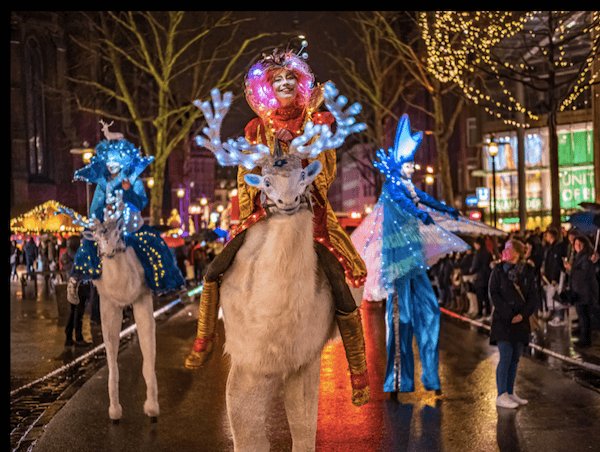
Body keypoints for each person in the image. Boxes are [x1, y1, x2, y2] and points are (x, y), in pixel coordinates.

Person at [184, 47, 370, 406]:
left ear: (300, 85)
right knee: (214, 270)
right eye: (278, 81)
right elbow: (243, 176)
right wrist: (254, 202)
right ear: (269, 89)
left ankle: (358, 372)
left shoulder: (318, 124)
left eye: (290, 79)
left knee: (338, 281)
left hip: (307, 216)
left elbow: (327, 174)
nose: (284, 84)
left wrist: (305, 152)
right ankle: (204, 338)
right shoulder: (257, 129)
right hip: (266, 213)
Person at [351, 114, 471, 396]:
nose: (411, 168)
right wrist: (421, 215)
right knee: (400, 321)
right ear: (398, 166)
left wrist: (446, 209)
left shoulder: (407, 186)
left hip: (414, 261)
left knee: (430, 312)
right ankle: (397, 379)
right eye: (407, 164)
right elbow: (407, 204)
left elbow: (422, 199)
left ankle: (430, 377)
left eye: (412, 164)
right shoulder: (392, 188)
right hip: (397, 264)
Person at [67, 128, 185, 304]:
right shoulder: (102, 184)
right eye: (109, 160)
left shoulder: (133, 180)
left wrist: (129, 192)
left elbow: (141, 203)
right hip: (108, 229)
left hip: (131, 228)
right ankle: (76, 279)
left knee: (155, 243)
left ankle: (166, 284)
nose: (113, 164)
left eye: (117, 160)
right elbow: (94, 210)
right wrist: (100, 216)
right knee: (88, 244)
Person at [489, 239, 539, 409]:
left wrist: (522, 315)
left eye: (508, 248)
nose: (505, 250)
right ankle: (501, 394)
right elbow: (494, 294)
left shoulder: (528, 270)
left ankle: (510, 392)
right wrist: (509, 314)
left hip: (521, 321)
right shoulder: (497, 270)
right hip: (503, 321)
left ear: (517, 253)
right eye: (504, 248)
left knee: (515, 358)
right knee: (506, 356)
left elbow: (533, 296)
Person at [564, 235, 599, 347]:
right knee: (582, 316)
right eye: (575, 244)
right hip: (579, 290)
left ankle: (585, 340)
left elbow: (584, 273)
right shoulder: (578, 256)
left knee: (584, 316)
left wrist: (571, 268)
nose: (577, 246)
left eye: (580, 244)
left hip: (585, 291)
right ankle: (584, 337)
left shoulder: (586, 256)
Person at [60, 235, 91, 347]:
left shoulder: (66, 256)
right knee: (78, 313)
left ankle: (69, 337)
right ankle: (78, 337)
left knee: (73, 312)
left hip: (72, 286)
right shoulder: (78, 256)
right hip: (79, 287)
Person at [541, 227, 568, 325]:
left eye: (547, 235)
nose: (545, 237)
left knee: (558, 296)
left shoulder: (558, 247)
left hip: (555, 277)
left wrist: (554, 277)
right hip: (549, 277)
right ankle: (556, 316)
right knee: (552, 296)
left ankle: (559, 317)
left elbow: (556, 264)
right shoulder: (550, 247)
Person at [467, 236, 493, 319]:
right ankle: (488, 313)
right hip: (487, 276)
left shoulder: (478, 253)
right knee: (486, 296)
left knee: (480, 296)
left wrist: (470, 270)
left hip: (480, 277)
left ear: (478, 244)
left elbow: (475, 266)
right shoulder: (488, 252)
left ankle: (480, 313)